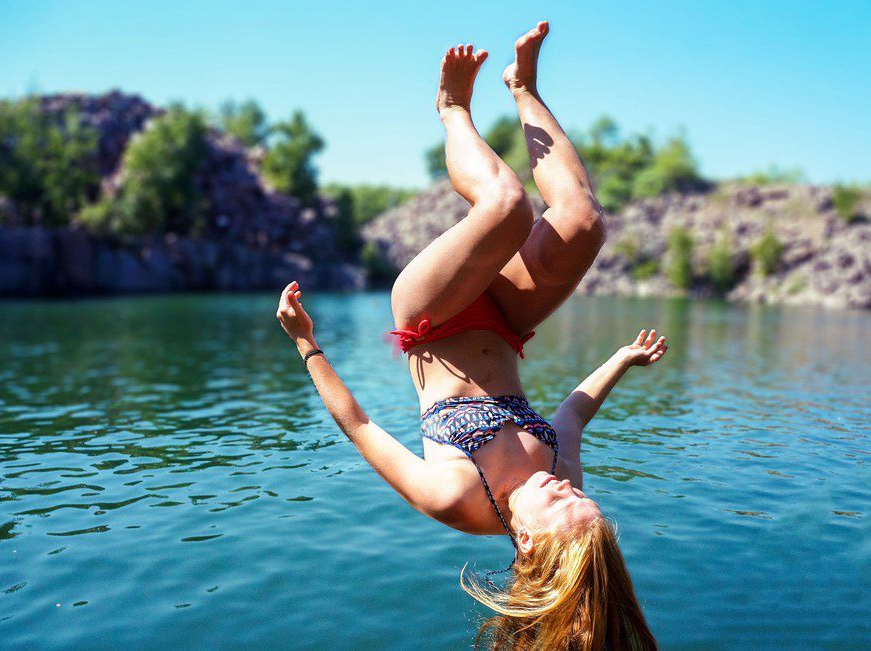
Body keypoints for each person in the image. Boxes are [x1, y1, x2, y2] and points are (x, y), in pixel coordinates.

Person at [277, 21, 665, 650]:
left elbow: (361, 427)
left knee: (508, 208)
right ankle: (524, 88)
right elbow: (573, 412)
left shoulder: (456, 497)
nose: (566, 487)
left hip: (430, 316)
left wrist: (306, 345)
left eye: (562, 502)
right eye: (582, 498)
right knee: (584, 223)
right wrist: (622, 358)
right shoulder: (560, 472)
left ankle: (452, 108)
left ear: (528, 541)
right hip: (506, 322)